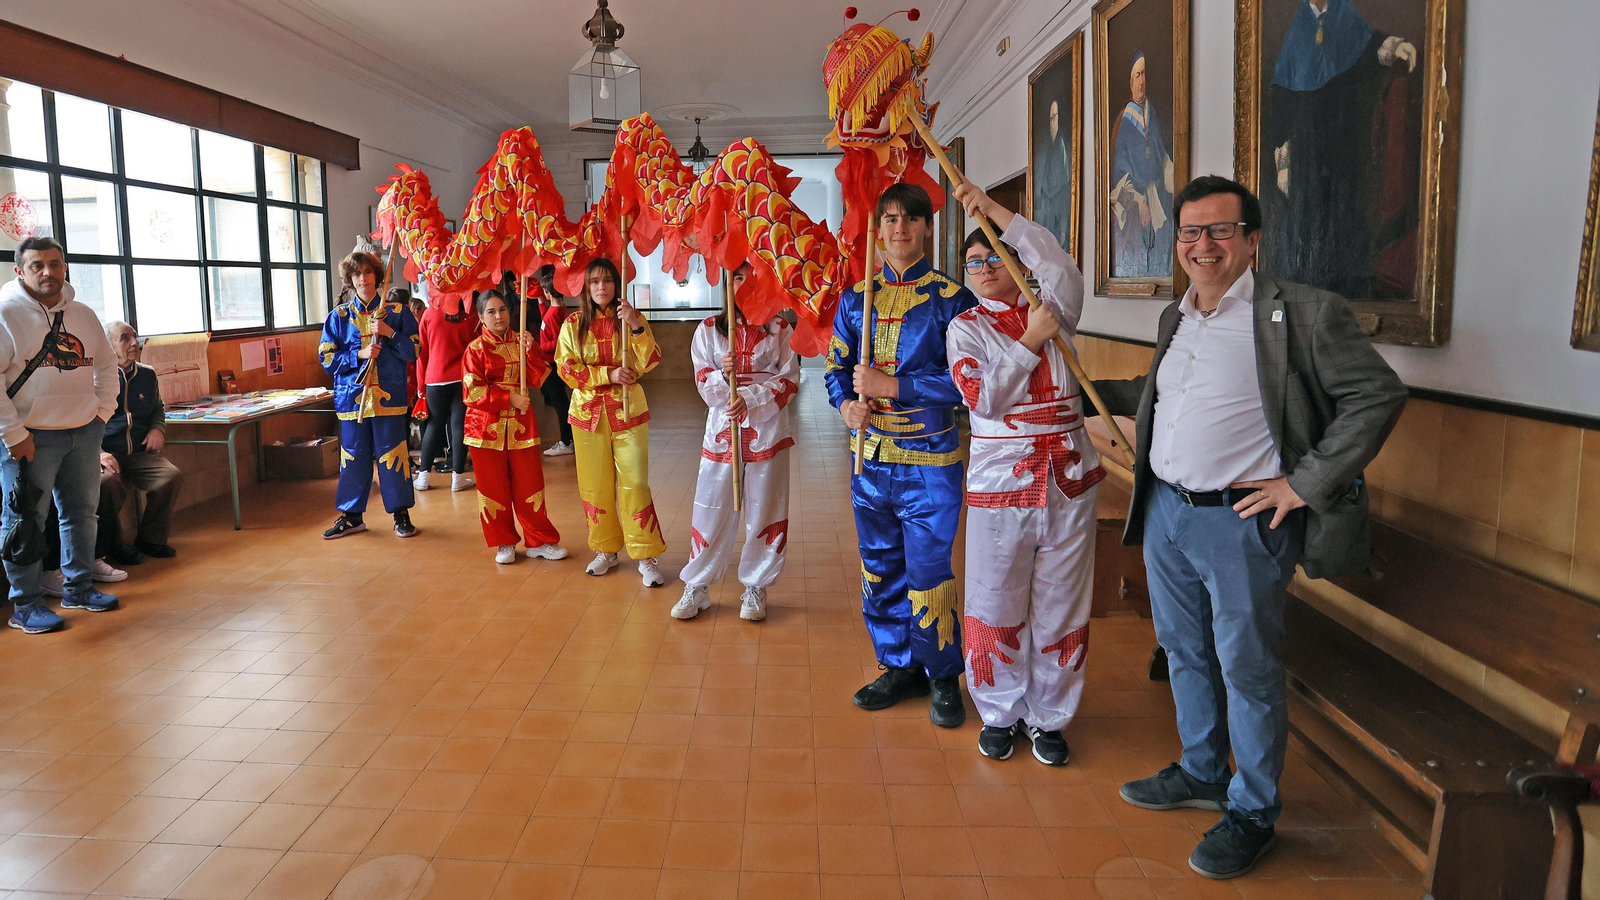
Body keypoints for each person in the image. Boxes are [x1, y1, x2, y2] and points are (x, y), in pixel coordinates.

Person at [1091, 176, 1406, 879]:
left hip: (1242, 523)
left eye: (1219, 231)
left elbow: (1378, 395)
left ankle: (1254, 810)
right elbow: (1166, 396)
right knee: (1182, 649)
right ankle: (1202, 769)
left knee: (1248, 668)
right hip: (1169, 510)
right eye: (1189, 233)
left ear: (1253, 240)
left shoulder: (1299, 314)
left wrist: (1303, 483)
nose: (1202, 246)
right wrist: (1105, 403)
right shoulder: (1178, 318)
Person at [945, 181, 1104, 765]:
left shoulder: (1055, 308)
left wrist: (995, 213)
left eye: (994, 254)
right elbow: (983, 398)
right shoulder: (965, 328)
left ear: (1016, 260)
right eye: (972, 262)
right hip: (1000, 482)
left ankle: (1050, 715)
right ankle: (998, 708)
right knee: (995, 594)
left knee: (1062, 598)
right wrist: (1031, 343)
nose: (984, 267)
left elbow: (1059, 263)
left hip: (1067, 476)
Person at [824, 183, 978, 729]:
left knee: (930, 571)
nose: (898, 229)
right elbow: (836, 371)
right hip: (869, 460)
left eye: (909, 219)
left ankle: (941, 674)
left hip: (929, 461)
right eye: (888, 220)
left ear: (928, 227)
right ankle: (897, 665)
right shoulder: (853, 299)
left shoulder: (953, 300)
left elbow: (967, 383)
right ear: (878, 229)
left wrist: (894, 386)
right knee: (879, 566)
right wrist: (846, 406)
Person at [0, 236, 121, 632]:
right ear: (20, 270)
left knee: (81, 514)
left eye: (55, 264)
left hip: (83, 432)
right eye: (37, 265)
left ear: (64, 267)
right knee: (25, 521)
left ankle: (79, 587)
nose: (48, 272)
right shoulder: (5, 314)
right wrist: (14, 434)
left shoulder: (83, 315)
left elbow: (106, 365)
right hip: (30, 438)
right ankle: (26, 605)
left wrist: (102, 412)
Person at [671, 263, 799, 623]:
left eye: (748, 275)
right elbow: (700, 377)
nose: (740, 283)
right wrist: (718, 373)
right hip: (722, 429)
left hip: (768, 429)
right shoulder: (709, 330)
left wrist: (752, 398)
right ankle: (697, 584)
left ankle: (756, 585)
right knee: (710, 505)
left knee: (765, 506)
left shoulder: (780, 328)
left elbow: (789, 379)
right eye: (735, 276)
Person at [1268, 0, 1419, 298]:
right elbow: (1284, 95)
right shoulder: (1299, 28)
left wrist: (1396, 47)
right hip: (1307, 147)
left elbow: (1368, 47)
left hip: (1345, 138)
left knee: (1347, 206)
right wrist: (1283, 158)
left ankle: (1347, 280)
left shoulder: (1344, 15)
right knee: (1309, 213)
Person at [554, 257, 667, 587]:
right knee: (594, 486)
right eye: (594, 282)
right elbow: (566, 368)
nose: (601, 287)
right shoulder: (572, 325)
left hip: (629, 413)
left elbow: (651, 359)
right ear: (586, 288)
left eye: (607, 281)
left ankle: (646, 554)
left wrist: (635, 325)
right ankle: (605, 549)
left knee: (635, 483)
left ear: (617, 285)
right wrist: (608, 373)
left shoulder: (631, 319)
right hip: (587, 416)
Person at [460, 289, 567, 565]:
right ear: (481, 318)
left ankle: (539, 540)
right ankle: (504, 542)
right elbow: (472, 392)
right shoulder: (475, 350)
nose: (499, 316)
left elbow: (540, 376)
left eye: (503, 310)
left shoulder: (521, 342)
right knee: (493, 489)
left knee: (530, 484)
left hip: (521, 424)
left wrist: (531, 351)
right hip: (485, 429)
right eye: (491, 312)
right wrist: (508, 398)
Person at [319, 251, 420, 539]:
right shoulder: (337, 317)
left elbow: (414, 351)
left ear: (377, 275)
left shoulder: (398, 313)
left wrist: (389, 332)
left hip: (390, 398)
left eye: (367, 272)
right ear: (350, 280)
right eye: (356, 274)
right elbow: (326, 358)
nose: (362, 279)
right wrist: (359, 354)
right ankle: (351, 516)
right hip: (352, 400)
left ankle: (401, 514)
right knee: (353, 457)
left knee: (394, 456)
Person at [98, 320, 181, 562]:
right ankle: (114, 545)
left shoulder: (147, 373)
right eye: (125, 338)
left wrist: (158, 429)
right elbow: (82, 421)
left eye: (135, 336)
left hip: (141, 453)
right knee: (106, 484)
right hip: (108, 454)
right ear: (109, 344)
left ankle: (150, 539)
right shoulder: (96, 377)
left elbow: (158, 409)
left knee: (170, 476)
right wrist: (99, 453)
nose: (135, 342)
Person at [1110, 52, 1176, 279]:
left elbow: (1159, 153)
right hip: (1135, 203)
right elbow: (1119, 173)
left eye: (1144, 74)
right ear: (1131, 83)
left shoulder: (1152, 112)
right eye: (1137, 76)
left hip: (1159, 196)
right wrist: (1139, 200)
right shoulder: (1126, 120)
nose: (1141, 81)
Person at [414, 290, 478, 492]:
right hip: (464, 377)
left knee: (433, 425)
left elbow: (421, 352)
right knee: (459, 426)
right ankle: (457, 477)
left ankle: (423, 477)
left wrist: (420, 385)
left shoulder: (430, 312)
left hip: (434, 378)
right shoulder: (471, 311)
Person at [535, 266, 575, 457]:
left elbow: (558, 341)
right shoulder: (556, 308)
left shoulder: (554, 314)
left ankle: (566, 441)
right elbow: (546, 319)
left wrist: (538, 348)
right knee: (559, 402)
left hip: (552, 363)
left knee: (559, 403)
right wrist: (541, 302)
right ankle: (568, 439)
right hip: (550, 362)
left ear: (548, 292)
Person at [1034, 99, 1073, 249]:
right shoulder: (1048, 149)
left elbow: (1064, 188)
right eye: (1050, 118)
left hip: (1059, 219)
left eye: (1054, 117)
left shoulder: (1062, 146)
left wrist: (1063, 229)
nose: (1052, 123)